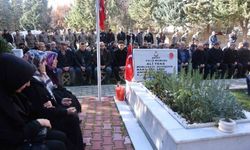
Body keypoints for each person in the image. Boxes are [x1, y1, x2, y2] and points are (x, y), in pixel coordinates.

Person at [0, 53, 67, 150]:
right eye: (25, 80)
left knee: (61, 136)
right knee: (58, 144)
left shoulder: (12, 92)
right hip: (14, 143)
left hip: (24, 135)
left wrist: (45, 106)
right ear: (12, 78)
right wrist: (38, 123)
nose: (28, 84)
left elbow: (28, 112)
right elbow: (11, 137)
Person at [22, 50, 84, 150]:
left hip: (50, 112)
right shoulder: (33, 83)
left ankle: (76, 145)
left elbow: (50, 97)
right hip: (45, 119)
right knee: (71, 119)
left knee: (71, 109)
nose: (45, 63)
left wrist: (60, 101)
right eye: (42, 62)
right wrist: (64, 111)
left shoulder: (40, 77)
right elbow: (43, 109)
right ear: (35, 64)